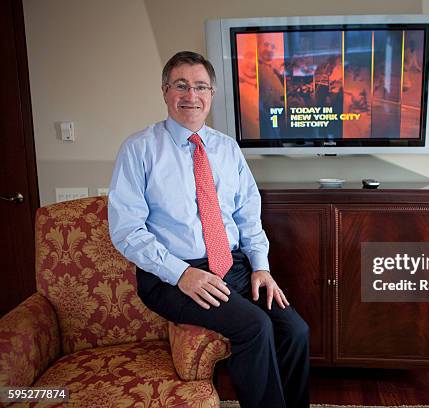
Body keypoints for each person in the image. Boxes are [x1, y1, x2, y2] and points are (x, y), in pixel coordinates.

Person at [108, 51, 309, 408]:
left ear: (212, 94)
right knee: (254, 327)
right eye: (181, 86)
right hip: (170, 275)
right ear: (165, 91)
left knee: (294, 330)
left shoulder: (227, 148)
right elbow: (126, 230)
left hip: (232, 264)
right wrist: (181, 273)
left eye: (200, 86)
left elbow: (248, 213)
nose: (191, 95)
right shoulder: (139, 149)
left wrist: (260, 266)